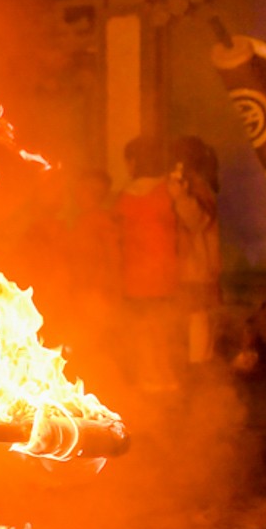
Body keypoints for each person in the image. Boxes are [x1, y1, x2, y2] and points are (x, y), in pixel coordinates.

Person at [114, 134, 181, 392]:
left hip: (135, 276)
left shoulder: (126, 197)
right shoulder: (168, 190)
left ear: (133, 162)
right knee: (162, 330)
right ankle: (165, 378)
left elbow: (117, 237)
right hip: (165, 273)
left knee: (144, 331)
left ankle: (151, 378)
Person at [169, 135, 223, 365]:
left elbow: (197, 220)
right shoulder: (197, 184)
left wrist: (179, 196)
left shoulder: (195, 186)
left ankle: (198, 370)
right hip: (198, 266)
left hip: (196, 267)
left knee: (198, 318)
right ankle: (199, 366)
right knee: (199, 319)